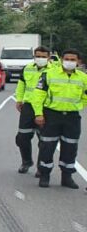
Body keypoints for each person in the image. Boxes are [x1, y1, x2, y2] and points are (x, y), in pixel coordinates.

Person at [29, 49, 87, 189]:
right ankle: (44, 175)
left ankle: (66, 177)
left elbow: (85, 96)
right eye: (66, 59)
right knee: (47, 147)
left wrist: (78, 106)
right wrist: (38, 114)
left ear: (78, 62)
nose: (69, 62)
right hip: (52, 115)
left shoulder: (83, 78)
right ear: (61, 59)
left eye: (73, 60)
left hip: (72, 117)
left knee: (70, 148)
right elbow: (38, 95)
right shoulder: (49, 74)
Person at [14, 46, 53, 174]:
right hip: (29, 107)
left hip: (46, 108)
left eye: (43, 56)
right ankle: (26, 161)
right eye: (38, 56)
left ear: (49, 57)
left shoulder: (54, 71)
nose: (40, 58)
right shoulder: (27, 68)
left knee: (44, 141)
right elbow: (21, 85)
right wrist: (19, 100)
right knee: (22, 137)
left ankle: (41, 167)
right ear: (34, 56)